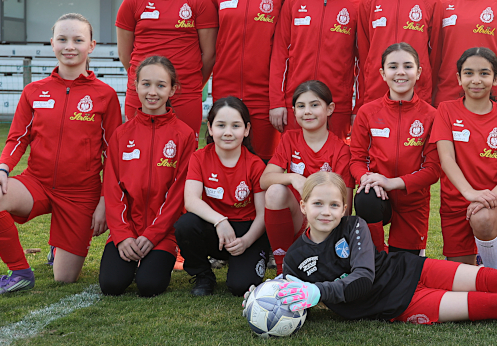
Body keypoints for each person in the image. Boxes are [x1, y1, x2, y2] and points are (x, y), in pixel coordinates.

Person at [273, 171, 497, 328]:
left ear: (343, 208)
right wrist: (265, 297)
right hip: (401, 304)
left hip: (412, 270)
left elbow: (363, 277)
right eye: (317, 204)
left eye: (334, 205)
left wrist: (317, 292)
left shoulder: (353, 227)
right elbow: (284, 296)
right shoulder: (295, 259)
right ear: (303, 206)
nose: (326, 212)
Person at [0, 13, 122, 295]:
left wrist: (105, 200)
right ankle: (20, 273)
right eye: (62, 39)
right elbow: (18, 138)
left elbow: (113, 155)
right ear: (52, 43)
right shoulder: (34, 91)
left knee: (64, 278)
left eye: (78, 40)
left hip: (81, 194)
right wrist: (1, 168)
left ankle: (59, 246)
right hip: (37, 183)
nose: (70, 46)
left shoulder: (105, 95)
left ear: (91, 46)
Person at [100, 56, 197, 296]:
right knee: (111, 284)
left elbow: (177, 194)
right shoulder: (121, 135)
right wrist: (122, 236)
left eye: (161, 85)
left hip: (162, 234)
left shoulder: (184, 135)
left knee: (149, 285)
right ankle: (127, 252)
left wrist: (153, 236)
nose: (152, 92)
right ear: (136, 86)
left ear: (172, 90)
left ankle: (160, 257)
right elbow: (112, 189)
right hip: (126, 230)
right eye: (146, 84)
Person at [209, 0, 296, 161]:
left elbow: (288, 44)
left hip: (265, 94)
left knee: (265, 163)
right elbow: (212, 39)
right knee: (226, 161)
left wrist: (278, 98)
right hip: (225, 90)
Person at [430, 48, 497, 268]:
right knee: (461, 275)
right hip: (456, 202)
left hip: (496, 200)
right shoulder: (446, 110)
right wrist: (470, 193)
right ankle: (480, 263)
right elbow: (446, 159)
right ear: (459, 78)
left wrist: (492, 197)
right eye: (469, 73)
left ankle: (493, 272)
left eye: (484, 73)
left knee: (483, 217)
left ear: (496, 79)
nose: (476, 80)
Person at [116, 0, 217, 133]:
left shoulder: (200, 1)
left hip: (185, 94)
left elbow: (209, 55)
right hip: (142, 94)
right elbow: (125, 54)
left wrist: (189, 84)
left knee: (183, 150)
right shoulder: (133, 0)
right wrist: (147, 82)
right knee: (139, 149)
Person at [350, 43, 441, 255]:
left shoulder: (432, 116)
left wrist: (391, 182)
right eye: (393, 67)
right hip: (378, 196)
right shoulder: (367, 112)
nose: (400, 72)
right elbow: (356, 160)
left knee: (403, 269)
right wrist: (368, 179)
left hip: (413, 203)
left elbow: (433, 170)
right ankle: (375, 254)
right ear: (383, 73)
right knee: (365, 197)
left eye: (408, 66)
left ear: (418, 72)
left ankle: (411, 254)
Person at [271, 0, 362, 139]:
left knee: (335, 161)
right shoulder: (294, 1)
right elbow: (279, 56)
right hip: (297, 106)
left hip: (337, 108)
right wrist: (277, 102)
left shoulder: (358, 5)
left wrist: (358, 107)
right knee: (295, 160)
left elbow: (363, 63)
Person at [175, 97, 269, 296]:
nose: (228, 132)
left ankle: (246, 259)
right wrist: (220, 221)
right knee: (186, 224)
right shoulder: (199, 157)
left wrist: (246, 241)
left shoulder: (255, 165)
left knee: (240, 286)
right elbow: (191, 201)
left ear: (246, 129)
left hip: (247, 231)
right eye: (221, 125)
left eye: (235, 126)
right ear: (210, 128)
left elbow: (263, 215)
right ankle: (203, 275)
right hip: (215, 228)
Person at [261, 80, 354, 274]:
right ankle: (283, 268)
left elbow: (345, 208)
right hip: (296, 217)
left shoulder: (341, 149)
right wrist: (293, 178)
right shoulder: (289, 139)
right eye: (301, 106)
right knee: (275, 191)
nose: (307, 111)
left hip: (323, 223)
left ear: (330, 109)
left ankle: (319, 255)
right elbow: (265, 180)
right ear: (294, 111)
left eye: (314, 105)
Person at [356, 0, 442, 112]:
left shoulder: (432, 2)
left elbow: (435, 57)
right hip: (376, 95)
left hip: (419, 97)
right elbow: (364, 56)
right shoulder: (369, 1)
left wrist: (429, 94)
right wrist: (361, 101)